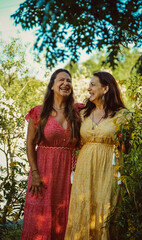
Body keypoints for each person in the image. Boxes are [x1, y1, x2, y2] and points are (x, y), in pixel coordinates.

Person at [65, 72, 131, 240]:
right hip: (85, 169)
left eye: (93, 85)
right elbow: (77, 142)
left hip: (109, 168)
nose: (89, 88)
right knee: (83, 206)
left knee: (105, 208)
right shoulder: (83, 114)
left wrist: (124, 138)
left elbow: (126, 149)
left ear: (106, 88)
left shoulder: (123, 115)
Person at [21, 69, 82, 240]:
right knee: (40, 218)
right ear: (52, 85)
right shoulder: (39, 112)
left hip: (69, 174)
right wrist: (34, 173)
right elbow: (30, 144)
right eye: (61, 80)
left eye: (69, 80)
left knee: (66, 216)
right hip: (43, 172)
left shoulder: (78, 112)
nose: (66, 83)